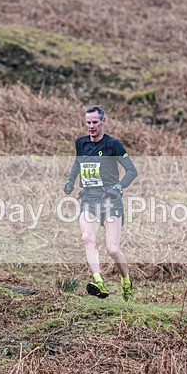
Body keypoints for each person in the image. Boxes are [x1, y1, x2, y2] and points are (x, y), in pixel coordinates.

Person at [64, 104, 138, 302]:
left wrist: (118, 187)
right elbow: (77, 163)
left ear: (103, 121)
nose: (91, 126)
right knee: (87, 238)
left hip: (110, 201)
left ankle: (126, 281)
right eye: (88, 122)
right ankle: (98, 281)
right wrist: (71, 181)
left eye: (95, 122)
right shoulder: (80, 143)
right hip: (89, 199)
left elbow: (132, 171)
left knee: (112, 249)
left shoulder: (113, 144)